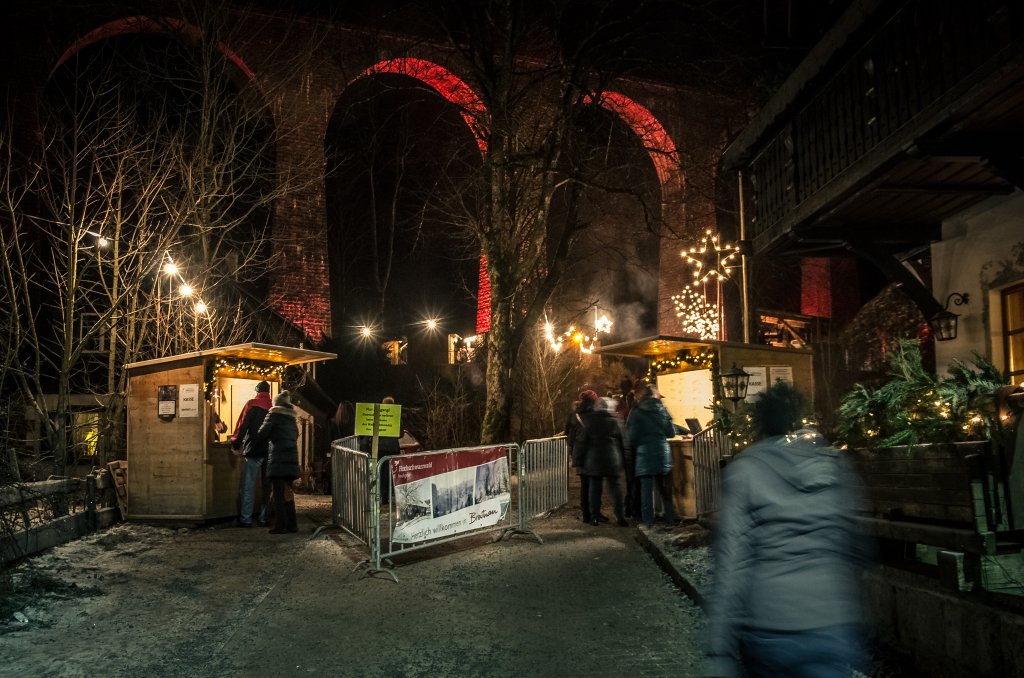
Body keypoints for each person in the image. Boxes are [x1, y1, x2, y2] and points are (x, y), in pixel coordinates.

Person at [704, 382, 873, 678]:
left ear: (759, 426)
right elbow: (853, 543)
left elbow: (731, 562)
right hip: (830, 621)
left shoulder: (745, 471)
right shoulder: (833, 464)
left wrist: (719, 645)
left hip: (769, 625)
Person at [626, 384, 676, 527]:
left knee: (646, 490)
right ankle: (670, 518)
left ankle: (648, 522)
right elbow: (671, 433)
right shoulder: (663, 410)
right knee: (664, 488)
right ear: (655, 395)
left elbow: (630, 437)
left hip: (644, 454)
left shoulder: (636, 411)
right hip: (662, 452)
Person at [577, 397, 628, 527]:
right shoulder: (615, 421)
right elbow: (622, 442)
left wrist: (580, 459)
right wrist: (625, 459)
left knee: (595, 488)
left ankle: (594, 517)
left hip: (594, 459)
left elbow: (583, 441)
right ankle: (620, 517)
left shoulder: (591, 420)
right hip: (612, 458)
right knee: (615, 489)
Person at [230, 381, 273, 528]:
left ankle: (246, 519)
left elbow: (242, 425)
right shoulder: (274, 406)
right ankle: (264, 518)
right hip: (269, 452)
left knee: (248, 486)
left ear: (256, 391)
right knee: (268, 487)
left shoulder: (251, 404)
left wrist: (236, 443)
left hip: (253, 451)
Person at [257, 390, 300, 534]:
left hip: (278, 458)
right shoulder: (291, 418)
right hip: (291, 459)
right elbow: (296, 435)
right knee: (288, 492)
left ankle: (280, 526)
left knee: (277, 493)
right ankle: (292, 525)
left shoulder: (273, 414)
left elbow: (262, 433)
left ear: (276, 404)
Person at [565, 390, 603, 523]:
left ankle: (586, 515)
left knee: (584, 484)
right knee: (595, 483)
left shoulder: (575, 415)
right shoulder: (596, 414)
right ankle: (595, 513)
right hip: (592, 452)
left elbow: (571, 437)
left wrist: (573, 453)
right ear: (593, 401)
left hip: (579, 452)